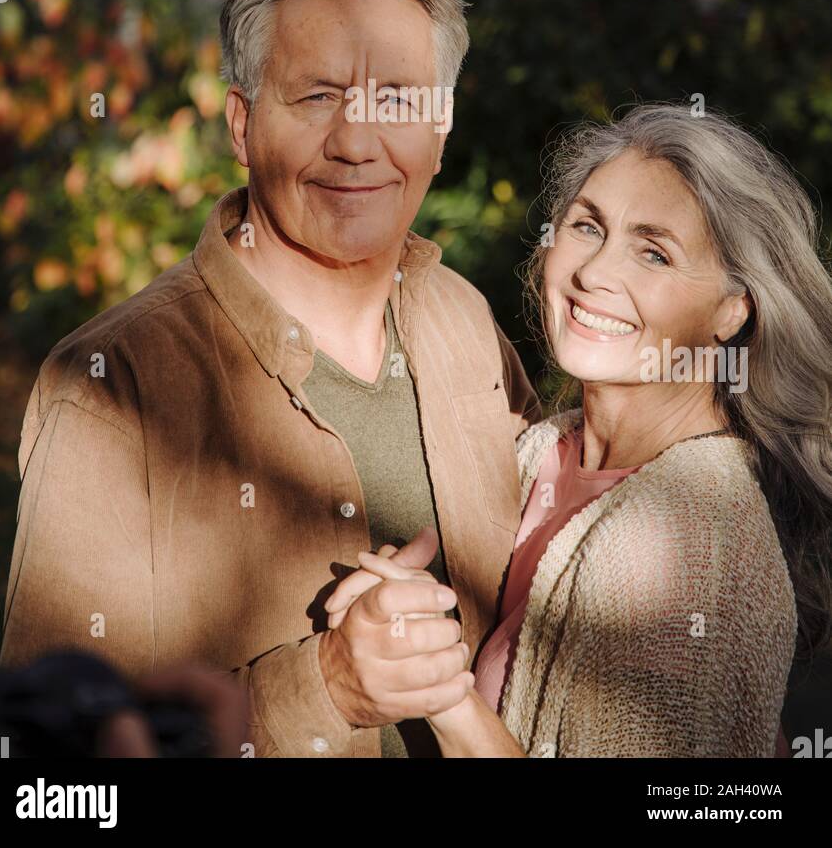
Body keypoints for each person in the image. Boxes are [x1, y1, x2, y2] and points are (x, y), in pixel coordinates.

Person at [0, 0, 543, 759]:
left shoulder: (466, 325)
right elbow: (54, 777)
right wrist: (321, 688)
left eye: (395, 100)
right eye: (318, 96)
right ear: (242, 125)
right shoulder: (113, 386)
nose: (357, 143)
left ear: (441, 128)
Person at [327, 104, 832, 756]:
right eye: (588, 227)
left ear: (732, 311)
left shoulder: (692, 539)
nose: (595, 273)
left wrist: (439, 691)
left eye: (654, 253)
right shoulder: (541, 450)